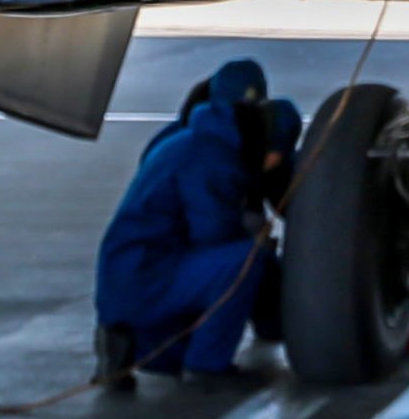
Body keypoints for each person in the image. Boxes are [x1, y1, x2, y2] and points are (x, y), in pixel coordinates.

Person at [92, 58, 302, 388]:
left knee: (170, 355)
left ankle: (123, 342)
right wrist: (251, 232)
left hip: (130, 274)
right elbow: (212, 234)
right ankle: (207, 367)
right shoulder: (211, 157)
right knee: (246, 260)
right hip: (148, 275)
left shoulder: (187, 138)